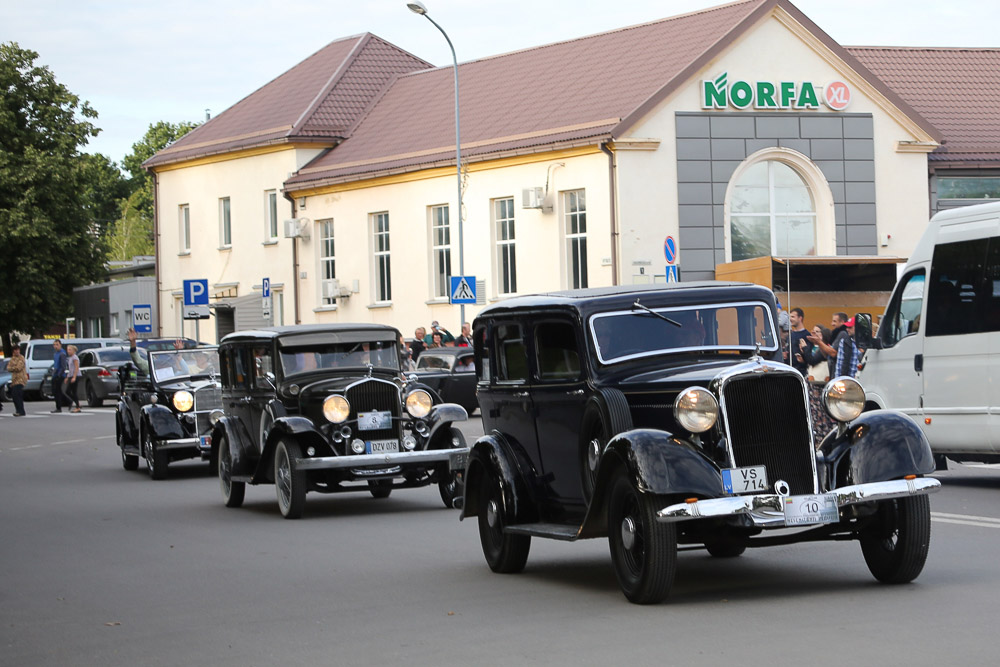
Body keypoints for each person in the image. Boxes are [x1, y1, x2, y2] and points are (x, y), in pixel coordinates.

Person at [7, 346, 27, 416]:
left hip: (21, 379)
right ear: (13, 351)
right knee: (14, 395)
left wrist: (13, 367)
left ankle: (21, 411)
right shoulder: (12, 359)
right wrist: (13, 367)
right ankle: (17, 410)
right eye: (16, 350)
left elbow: (18, 368)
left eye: (18, 350)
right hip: (14, 380)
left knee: (18, 395)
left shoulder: (21, 358)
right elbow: (8, 368)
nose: (17, 351)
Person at [788, 307, 809, 376]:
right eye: (790, 317)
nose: (790, 319)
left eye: (793, 317)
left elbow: (808, 356)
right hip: (790, 370)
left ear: (800, 318)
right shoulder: (790, 335)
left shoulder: (807, 335)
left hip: (801, 372)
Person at [50, 339, 67, 413]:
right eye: (54, 345)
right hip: (55, 374)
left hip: (60, 375)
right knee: (54, 391)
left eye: (57, 344)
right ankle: (59, 406)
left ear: (60, 345)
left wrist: (59, 375)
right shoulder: (55, 354)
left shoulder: (62, 354)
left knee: (58, 392)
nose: (55, 346)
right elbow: (55, 365)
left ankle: (59, 407)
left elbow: (63, 366)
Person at [65, 344, 82, 413]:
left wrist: (74, 377)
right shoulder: (70, 358)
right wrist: (67, 377)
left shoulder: (75, 358)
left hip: (76, 375)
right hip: (71, 376)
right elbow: (70, 369)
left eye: (70, 350)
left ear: (74, 350)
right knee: (68, 391)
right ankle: (77, 403)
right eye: (67, 350)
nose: (68, 351)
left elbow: (76, 368)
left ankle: (77, 406)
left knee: (72, 391)